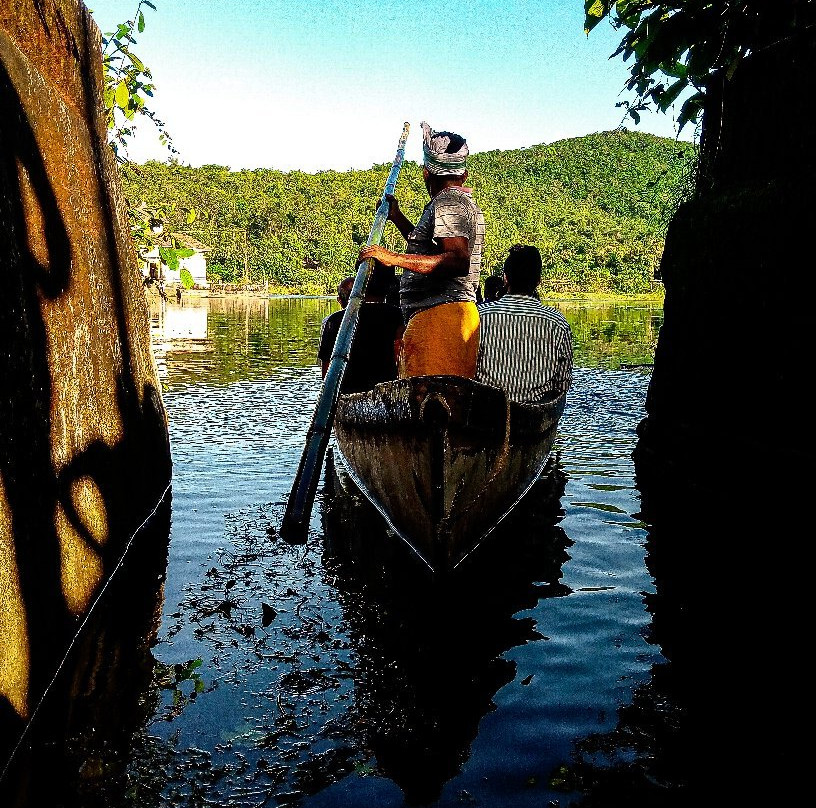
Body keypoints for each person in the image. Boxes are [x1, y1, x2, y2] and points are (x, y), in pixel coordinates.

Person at [357, 121, 485, 379]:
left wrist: (393, 258)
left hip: (442, 319)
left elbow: (457, 260)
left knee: (431, 409)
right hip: (438, 317)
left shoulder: (449, 201)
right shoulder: (449, 202)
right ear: (464, 174)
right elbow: (429, 250)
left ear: (426, 172)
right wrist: (397, 217)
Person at [475, 244, 573, 404]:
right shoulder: (557, 322)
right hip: (534, 416)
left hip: (487, 414)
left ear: (505, 278)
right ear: (538, 281)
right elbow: (562, 384)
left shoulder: (480, 316)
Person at [317, 264, 404, 393]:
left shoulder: (335, 320)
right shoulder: (397, 316)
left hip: (346, 394)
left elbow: (327, 374)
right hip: (385, 393)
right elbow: (400, 359)